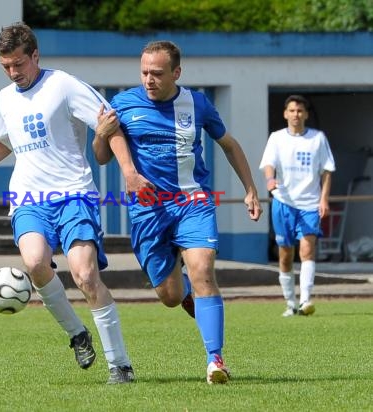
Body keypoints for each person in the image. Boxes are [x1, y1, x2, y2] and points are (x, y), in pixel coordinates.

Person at [0, 22, 153, 384]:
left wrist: (128, 171)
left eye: (19, 63)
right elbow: (1, 145)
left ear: (35, 55)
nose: (14, 73)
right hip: (29, 197)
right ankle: (77, 334)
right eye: (6, 66)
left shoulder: (63, 85)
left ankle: (120, 364)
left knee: (84, 274)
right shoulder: (6, 98)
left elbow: (108, 124)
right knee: (34, 263)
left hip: (74, 194)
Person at [93, 40, 262, 384]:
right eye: (144, 72)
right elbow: (100, 156)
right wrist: (100, 135)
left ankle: (215, 360)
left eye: (157, 73)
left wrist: (250, 189)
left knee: (203, 271)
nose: (149, 79)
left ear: (176, 73)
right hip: (147, 212)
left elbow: (229, 144)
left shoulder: (197, 103)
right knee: (170, 296)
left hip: (192, 203)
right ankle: (188, 296)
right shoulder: (123, 104)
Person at [259, 95, 335, 317]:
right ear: (285, 114)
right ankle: (290, 302)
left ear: (306, 114)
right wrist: (270, 181)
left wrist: (323, 199)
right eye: (292, 111)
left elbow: (327, 170)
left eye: (300, 111)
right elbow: (268, 164)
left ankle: (306, 300)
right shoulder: (277, 138)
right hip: (283, 202)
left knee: (307, 249)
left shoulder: (317, 139)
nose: (296, 115)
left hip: (310, 204)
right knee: (285, 254)